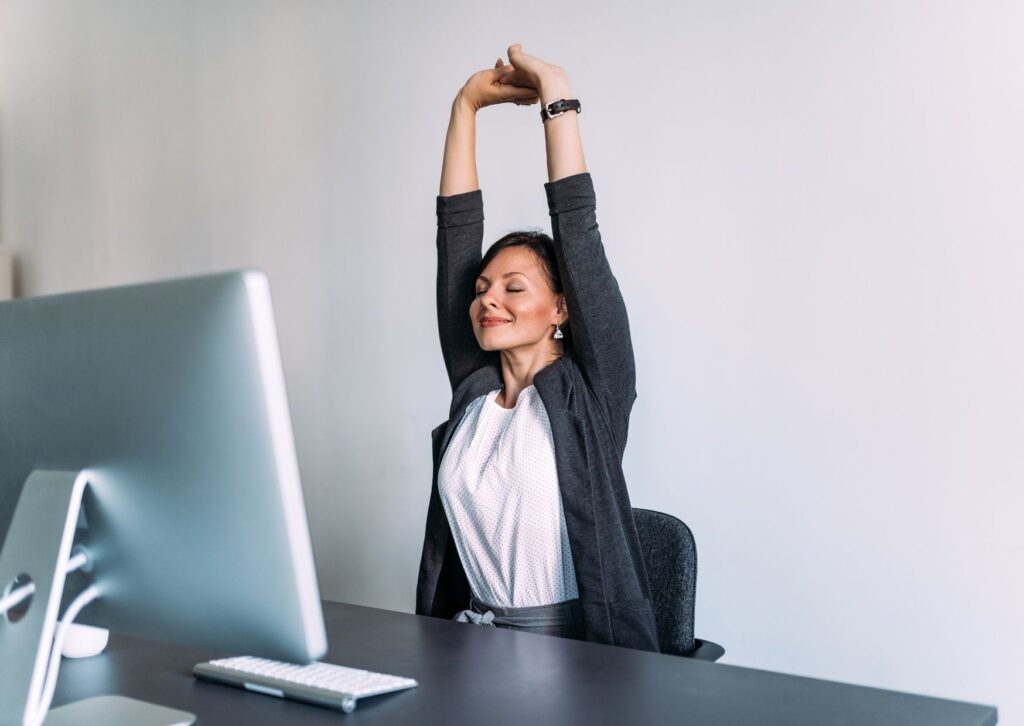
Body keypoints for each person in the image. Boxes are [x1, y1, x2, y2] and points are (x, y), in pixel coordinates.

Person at [415, 44, 659, 652]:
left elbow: (578, 228)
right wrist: (465, 107)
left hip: (581, 660)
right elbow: (455, 235)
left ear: (562, 309)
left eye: (514, 288)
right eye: (482, 290)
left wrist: (555, 90)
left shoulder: (591, 393)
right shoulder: (473, 390)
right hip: (469, 652)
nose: (488, 300)